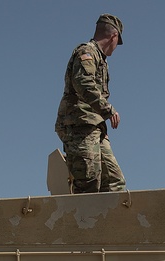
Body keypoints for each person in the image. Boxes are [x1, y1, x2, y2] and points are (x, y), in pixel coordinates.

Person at [55, 14, 127, 193]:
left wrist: (102, 128)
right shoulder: (86, 53)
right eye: (117, 43)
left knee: (114, 183)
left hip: (94, 128)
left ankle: (112, 222)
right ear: (114, 36)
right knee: (88, 184)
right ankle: (83, 221)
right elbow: (83, 84)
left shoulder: (100, 60)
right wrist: (108, 110)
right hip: (78, 126)